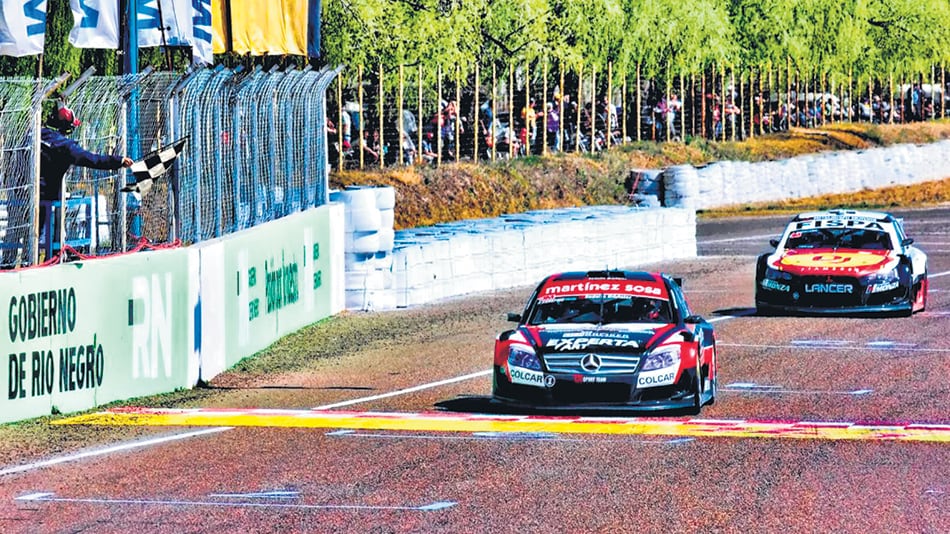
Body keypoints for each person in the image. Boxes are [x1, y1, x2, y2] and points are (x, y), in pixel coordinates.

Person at [39, 99, 133, 239]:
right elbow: (93, 160)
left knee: (21, 233)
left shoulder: (35, 133)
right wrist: (118, 161)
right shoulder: (66, 146)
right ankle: (54, 255)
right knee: (54, 231)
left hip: (20, 192)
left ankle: (13, 258)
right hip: (46, 196)